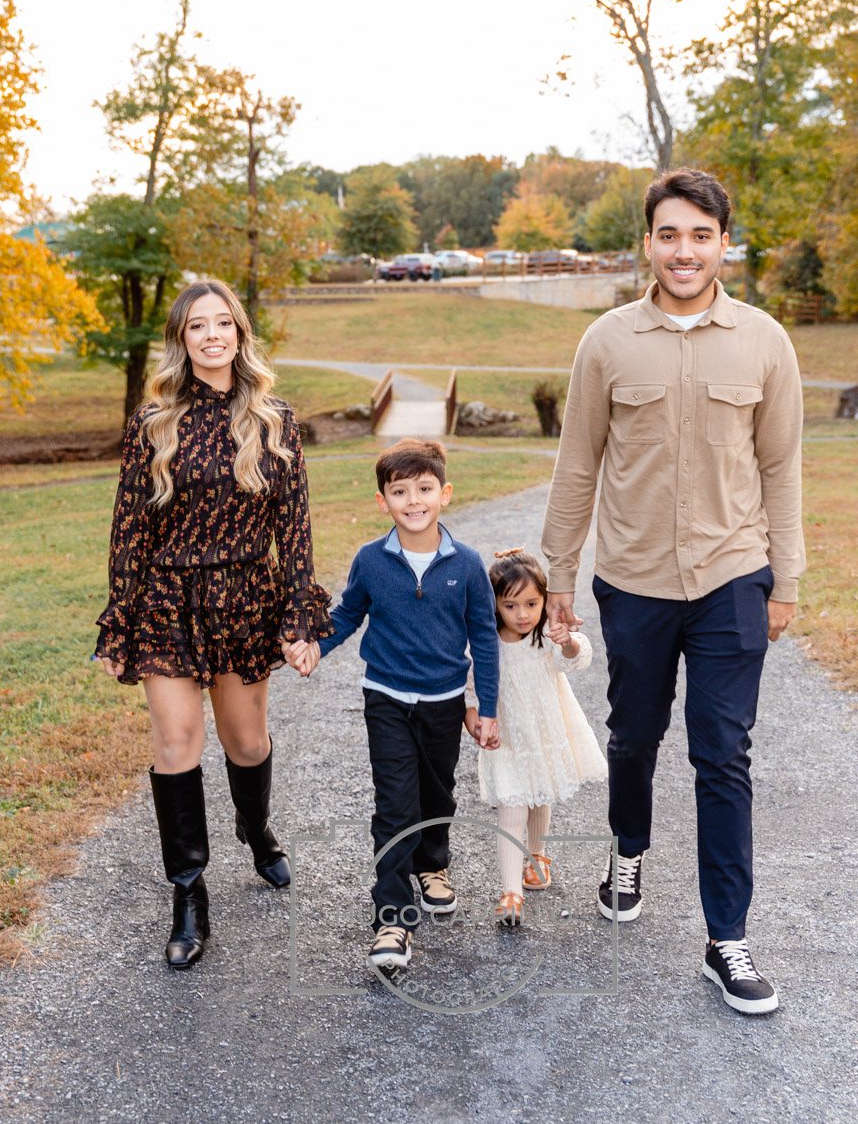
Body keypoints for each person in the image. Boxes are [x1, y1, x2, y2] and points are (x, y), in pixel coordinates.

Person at [542, 168, 805, 1016]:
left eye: (700, 235)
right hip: (636, 581)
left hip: (733, 576)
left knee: (723, 753)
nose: (684, 251)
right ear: (648, 243)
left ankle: (727, 937)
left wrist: (786, 578)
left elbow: (781, 468)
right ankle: (628, 849)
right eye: (669, 234)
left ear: (724, 242)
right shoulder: (608, 343)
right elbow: (576, 465)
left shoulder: (764, 342)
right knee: (634, 736)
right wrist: (559, 575)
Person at [93, 278, 332, 970]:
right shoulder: (153, 424)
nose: (211, 335)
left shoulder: (274, 420)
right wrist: (120, 618)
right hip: (167, 599)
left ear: (239, 333)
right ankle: (189, 894)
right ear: (182, 339)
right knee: (176, 742)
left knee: (246, 742)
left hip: (244, 597)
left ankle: (256, 829)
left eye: (222, 323)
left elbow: (295, 529)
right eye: (196, 326)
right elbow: (129, 529)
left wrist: (299, 616)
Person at [287, 438, 499, 973]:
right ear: (383, 501)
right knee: (395, 804)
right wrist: (316, 646)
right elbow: (347, 613)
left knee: (437, 793)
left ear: (445, 493)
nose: (413, 500)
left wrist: (487, 706)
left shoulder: (467, 565)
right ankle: (392, 918)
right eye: (400, 491)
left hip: (444, 701)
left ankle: (433, 865)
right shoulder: (371, 560)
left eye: (424, 488)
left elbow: (484, 637)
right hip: (385, 697)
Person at [466, 548, 607, 926]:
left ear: (544, 600)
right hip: (507, 740)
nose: (522, 614)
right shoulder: (487, 641)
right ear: (495, 605)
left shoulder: (545, 634)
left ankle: (537, 854)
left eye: (531, 604)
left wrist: (567, 642)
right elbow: (468, 686)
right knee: (513, 808)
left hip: (545, 734)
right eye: (511, 606)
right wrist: (472, 719)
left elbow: (577, 657)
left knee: (540, 794)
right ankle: (510, 892)